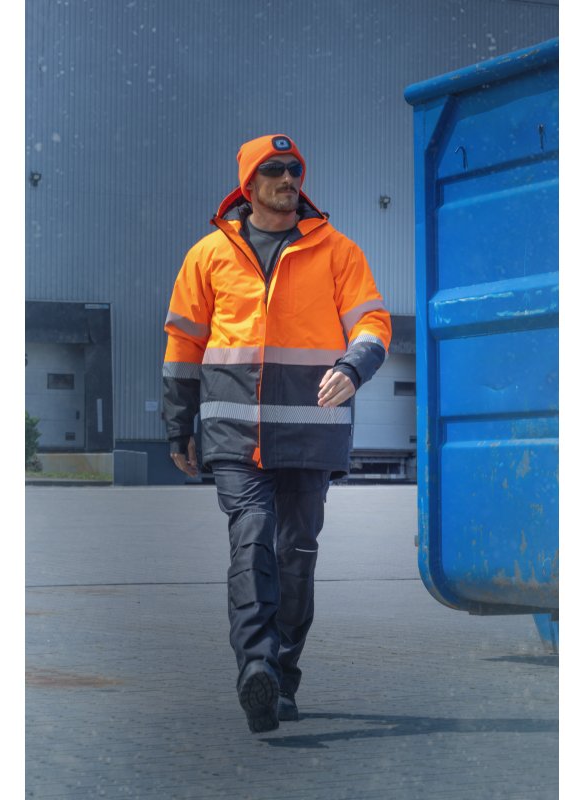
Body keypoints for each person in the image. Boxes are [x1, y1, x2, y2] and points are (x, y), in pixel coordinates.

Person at [161, 134, 391, 733]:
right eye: (274, 170)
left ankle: (282, 676)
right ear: (249, 183)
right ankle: (256, 668)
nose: (289, 179)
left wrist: (354, 367)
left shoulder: (337, 251)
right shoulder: (208, 255)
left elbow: (372, 321)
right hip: (234, 434)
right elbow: (184, 342)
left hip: (311, 434)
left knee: (295, 556)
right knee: (252, 540)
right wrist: (178, 424)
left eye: (295, 169)